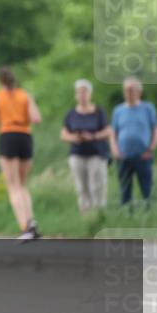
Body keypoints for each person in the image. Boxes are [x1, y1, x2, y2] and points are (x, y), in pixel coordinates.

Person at [0, 66, 43, 241]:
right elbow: (36, 118)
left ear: (0, 81)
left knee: (13, 186)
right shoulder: (25, 95)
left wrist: (0, 116)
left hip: (8, 136)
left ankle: (24, 227)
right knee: (23, 185)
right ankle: (31, 222)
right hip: (25, 137)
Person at [61, 79, 111, 213]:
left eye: (84, 92)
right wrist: (74, 138)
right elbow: (64, 133)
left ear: (90, 93)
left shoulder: (98, 112)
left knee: (97, 185)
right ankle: (85, 213)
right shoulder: (71, 114)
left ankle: (99, 212)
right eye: (79, 92)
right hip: (77, 154)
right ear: (75, 94)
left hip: (96, 153)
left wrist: (93, 136)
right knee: (81, 186)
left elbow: (108, 131)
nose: (82, 95)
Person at [109, 76, 157, 207]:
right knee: (125, 190)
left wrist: (150, 149)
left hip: (143, 156)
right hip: (123, 156)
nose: (128, 92)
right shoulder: (118, 110)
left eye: (131, 89)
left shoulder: (148, 108)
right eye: (126, 89)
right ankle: (126, 214)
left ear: (139, 91)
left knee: (147, 189)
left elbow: (156, 131)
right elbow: (113, 134)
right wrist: (115, 150)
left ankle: (149, 214)